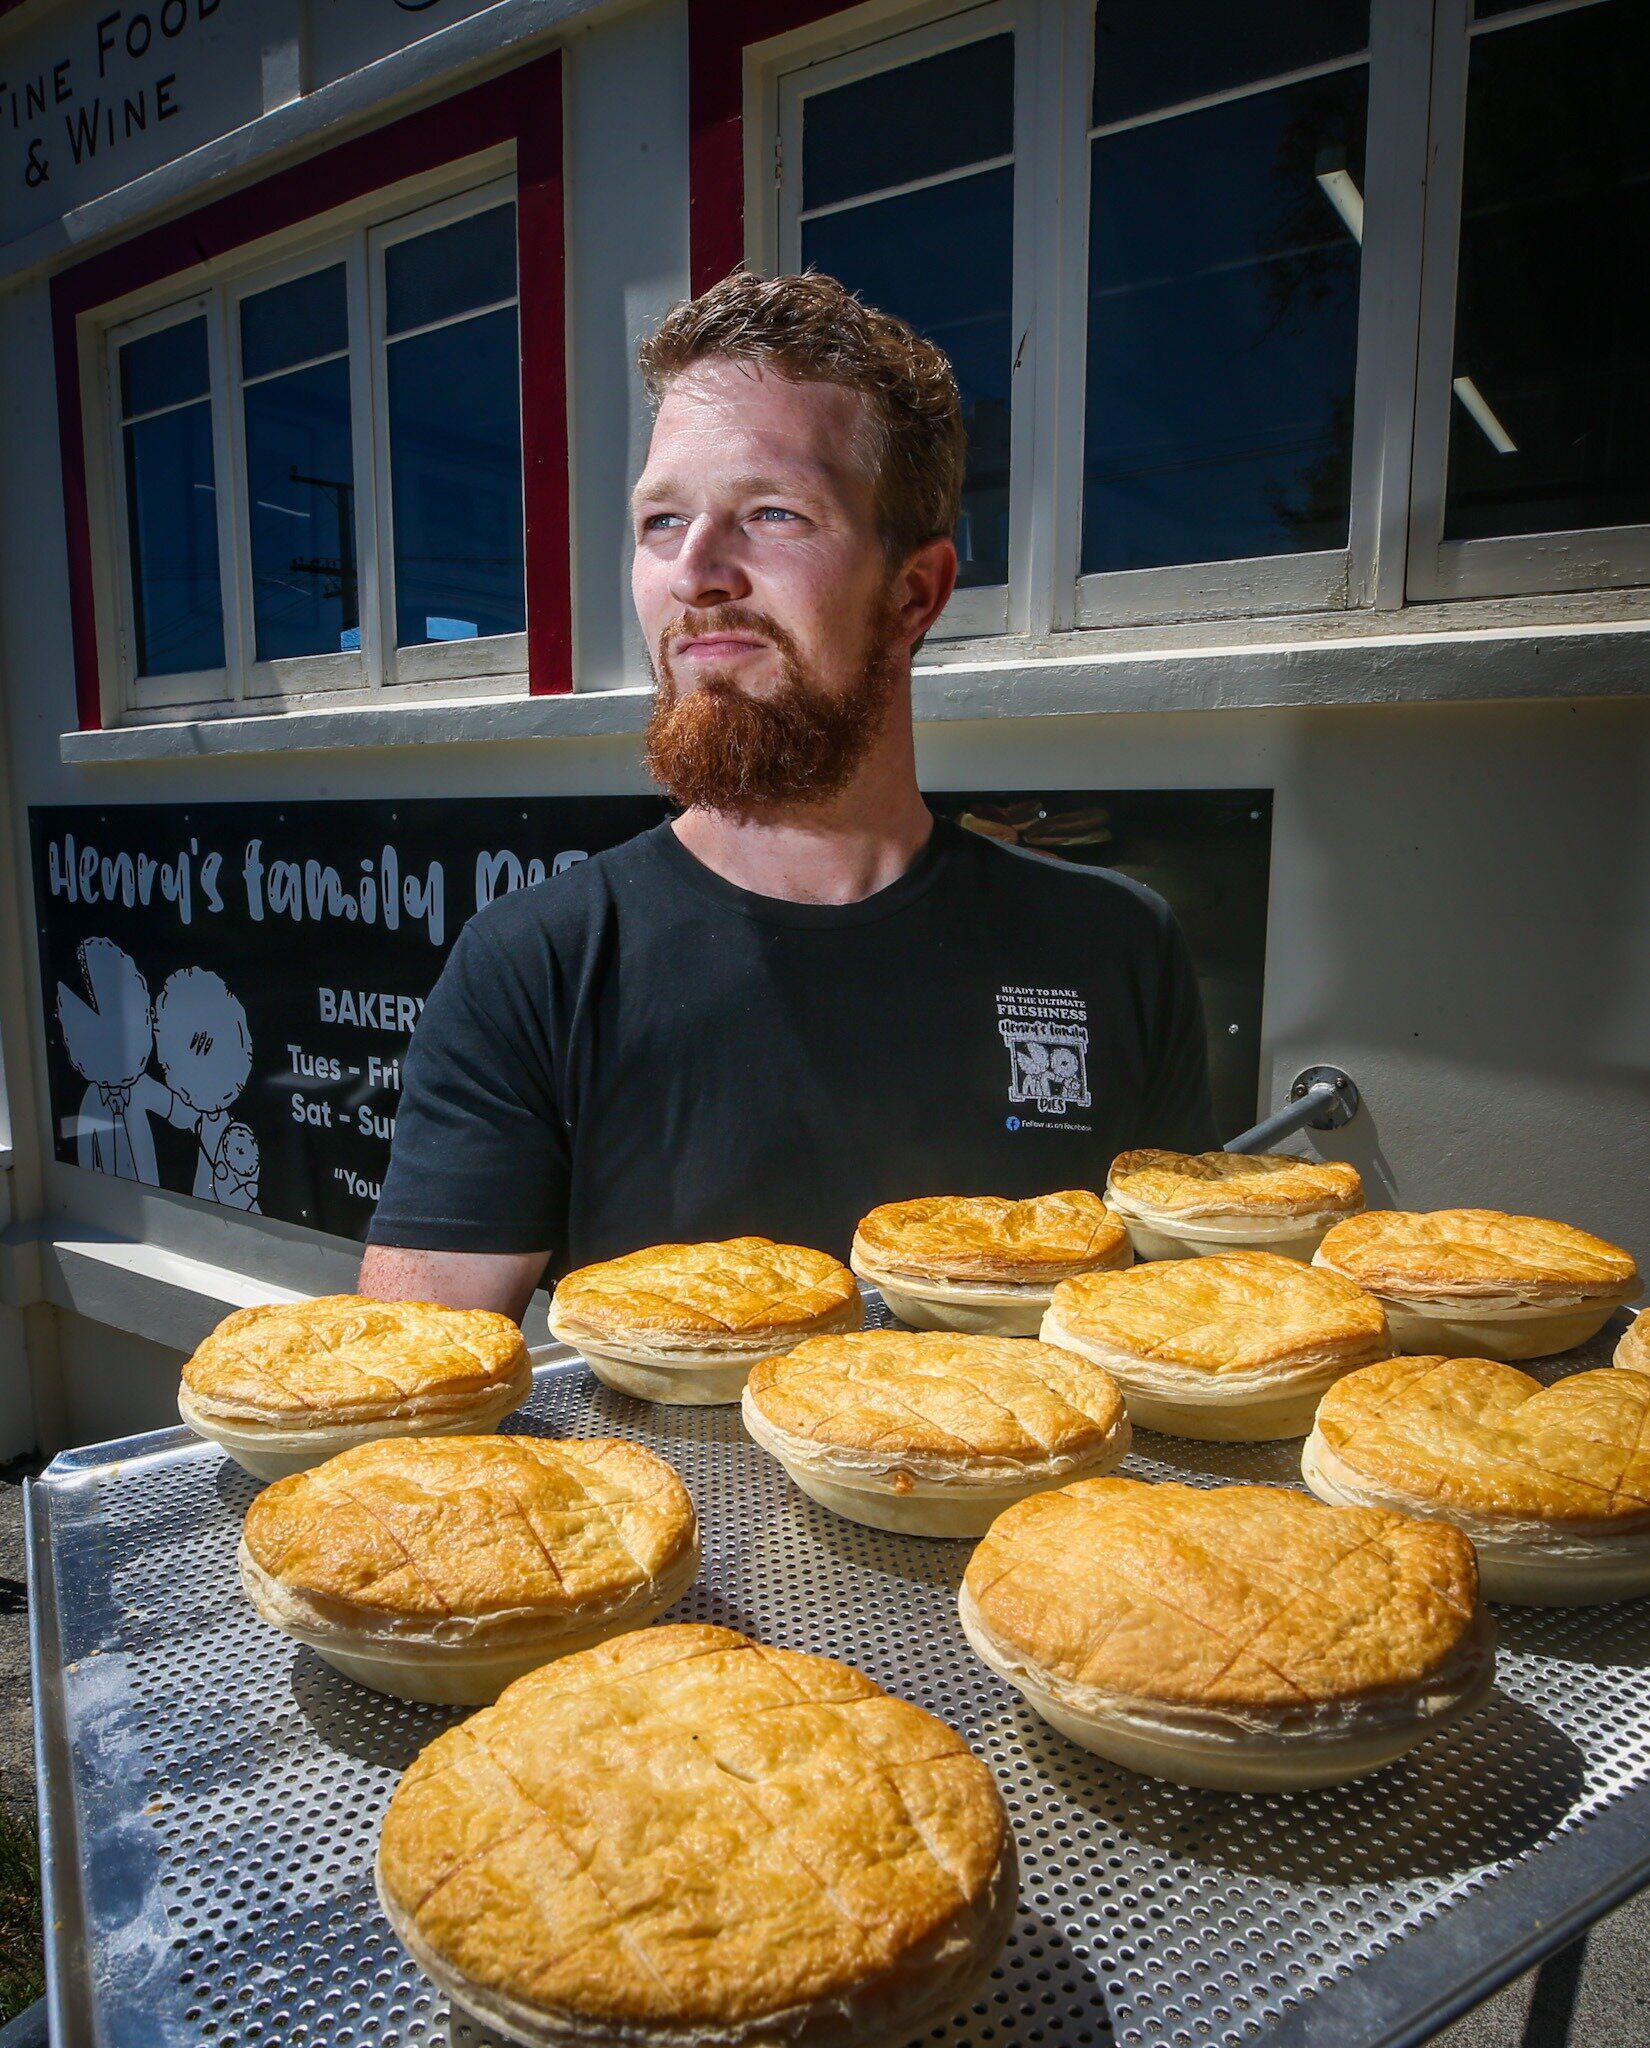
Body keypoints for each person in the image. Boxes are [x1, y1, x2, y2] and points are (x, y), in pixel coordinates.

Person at [360, 271, 1216, 1323]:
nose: (696, 571)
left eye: (771, 512)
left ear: (914, 593)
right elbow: (407, 1399)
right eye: (662, 520)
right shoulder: (536, 969)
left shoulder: (1113, 945)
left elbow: (1184, 1333)